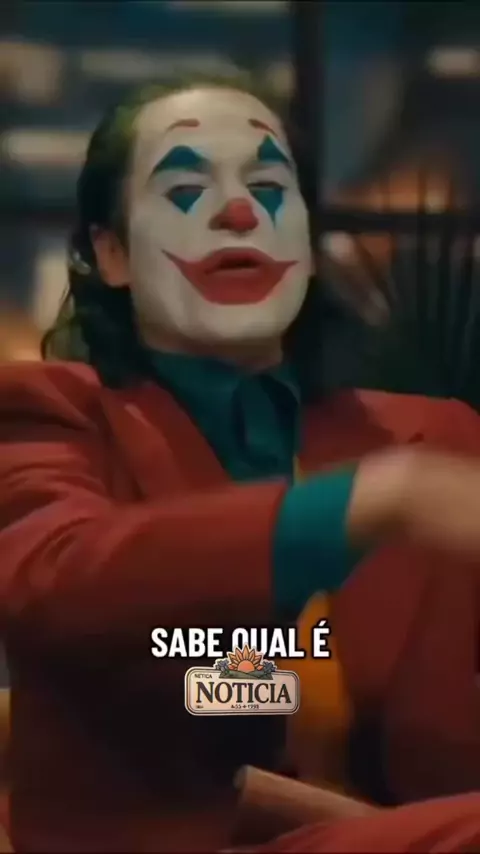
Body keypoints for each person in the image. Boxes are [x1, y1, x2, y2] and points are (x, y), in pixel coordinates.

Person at [0, 72, 480, 852]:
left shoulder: (437, 437)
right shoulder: (51, 417)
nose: (238, 211)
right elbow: (61, 584)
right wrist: (372, 503)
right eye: (186, 189)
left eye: (269, 187)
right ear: (111, 253)